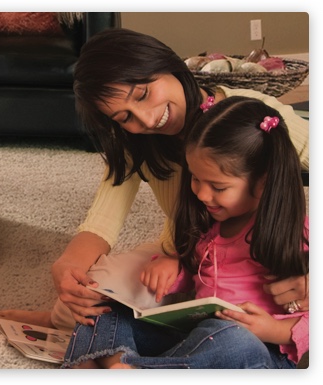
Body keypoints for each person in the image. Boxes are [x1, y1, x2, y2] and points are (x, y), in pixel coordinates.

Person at [0, 28, 309, 333]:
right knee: (90, 296)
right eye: (124, 117)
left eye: (143, 94)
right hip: (183, 255)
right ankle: (56, 321)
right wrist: (67, 267)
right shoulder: (135, 141)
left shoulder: (253, 120)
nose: (148, 119)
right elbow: (103, 220)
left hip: (260, 257)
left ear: (165, 64)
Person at [62, 95, 309, 369]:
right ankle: (117, 363)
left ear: (263, 182)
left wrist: (275, 330)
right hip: (196, 339)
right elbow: (196, 275)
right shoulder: (208, 223)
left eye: (218, 187)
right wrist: (175, 268)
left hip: (258, 351)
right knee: (106, 307)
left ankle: (115, 366)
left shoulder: (297, 234)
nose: (202, 194)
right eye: (195, 178)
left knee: (234, 338)